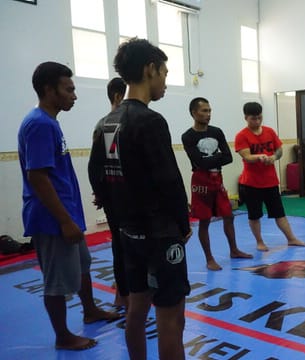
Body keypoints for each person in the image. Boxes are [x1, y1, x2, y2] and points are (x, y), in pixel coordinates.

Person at [88, 38, 191, 360]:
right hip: (160, 232)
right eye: (164, 73)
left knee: (136, 307)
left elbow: (96, 176)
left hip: (127, 232)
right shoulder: (149, 121)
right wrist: (183, 223)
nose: (164, 82)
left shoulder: (106, 122)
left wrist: (117, 213)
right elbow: (169, 180)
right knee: (171, 316)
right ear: (150, 69)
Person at [18, 61, 122, 351]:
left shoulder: (50, 122)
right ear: (49, 90)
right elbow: (37, 177)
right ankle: (62, 335)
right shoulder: (39, 124)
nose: (74, 96)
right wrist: (64, 220)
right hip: (52, 218)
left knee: (82, 265)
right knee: (57, 280)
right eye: (69, 89)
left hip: (66, 213)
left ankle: (90, 309)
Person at [182, 97, 252, 270]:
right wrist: (215, 158)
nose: (208, 114)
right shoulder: (188, 136)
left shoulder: (217, 132)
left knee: (229, 215)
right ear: (194, 113)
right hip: (200, 180)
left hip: (217, 179)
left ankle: (234, 250)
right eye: (204, 111)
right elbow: (199, 163)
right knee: (205, 220)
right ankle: (209, 258)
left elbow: (228, 157)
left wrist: (211, 160)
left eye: (209, 110)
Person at [234, 102, 305, 251]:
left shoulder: (270, 132)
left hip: (271, 182)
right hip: (251, 184)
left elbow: (279, 150)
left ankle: (291, 239)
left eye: (259, 118)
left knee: (279, 213)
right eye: (253, 119)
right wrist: (260, 157)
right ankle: (259, 241)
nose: (257, 121)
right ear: (246, 118)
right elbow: (247, 156)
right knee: (254, 215)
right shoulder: (241, 136)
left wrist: (273, 157)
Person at [90, 77, 129, 310]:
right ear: (117, 96)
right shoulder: (110, 125)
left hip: (117, 194)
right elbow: (99, 163)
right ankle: (123, 293)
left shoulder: (105, 124)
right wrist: (101, 191)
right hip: (121, 196)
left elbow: (97, 165)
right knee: (123, 245)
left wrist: (100, 190)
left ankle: (125, 289)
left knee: (124, 245)